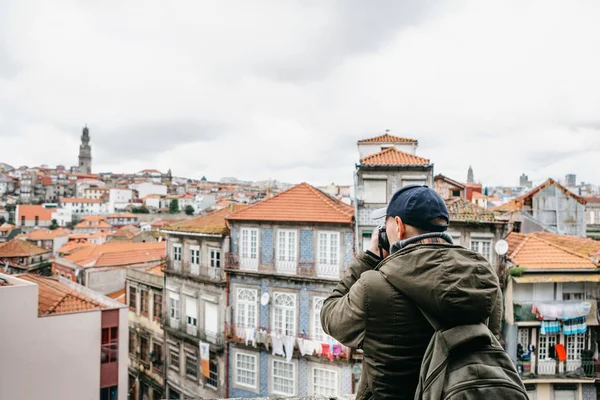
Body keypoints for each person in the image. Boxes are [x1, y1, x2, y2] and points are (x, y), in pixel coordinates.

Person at [321, 185, 502, 400]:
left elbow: (330, 316)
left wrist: (370, 257)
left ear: (398, 226)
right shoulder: (484, 277)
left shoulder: (374, 287)